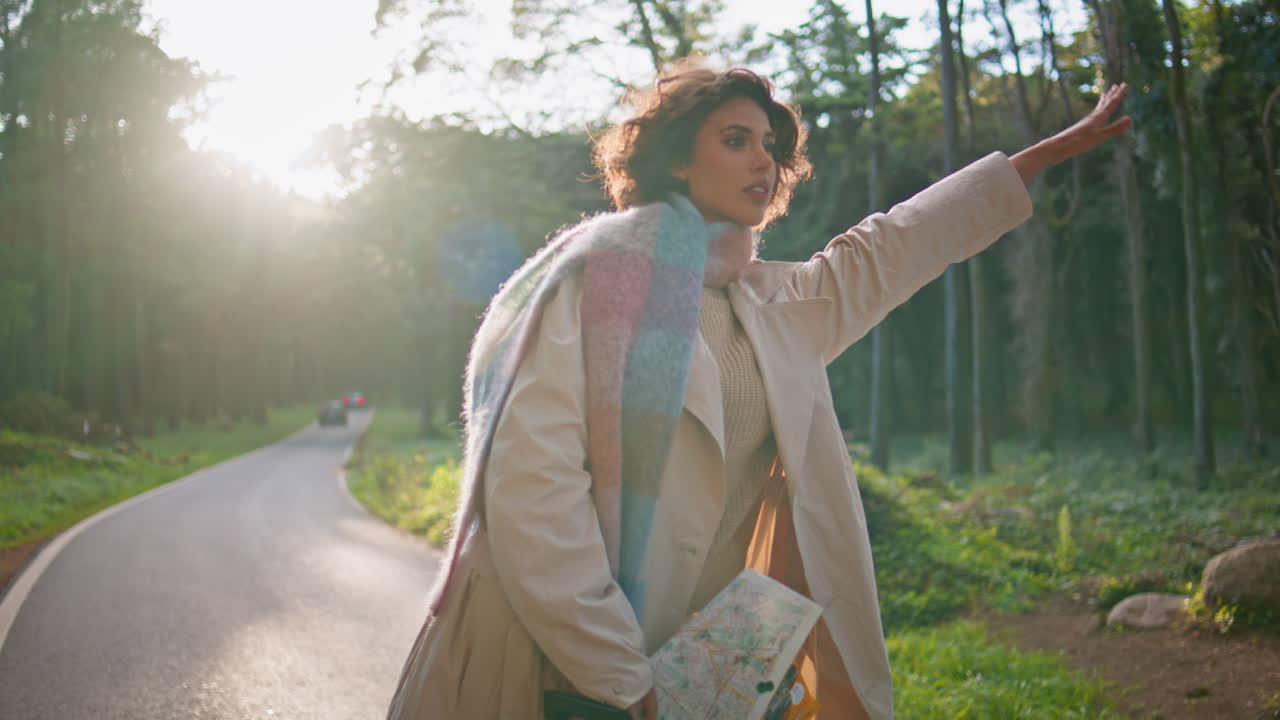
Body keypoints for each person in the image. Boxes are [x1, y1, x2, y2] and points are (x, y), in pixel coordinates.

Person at [386, 62, 1131, 720]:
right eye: (736, 139)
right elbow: (533, 492)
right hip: (548, 649)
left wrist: (1047, 153)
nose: (764, 162)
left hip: (694, 661)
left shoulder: (771, 305)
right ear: (677, 160)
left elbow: (897, 242)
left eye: (771, 146)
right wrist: (616, 673)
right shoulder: (593, 283)